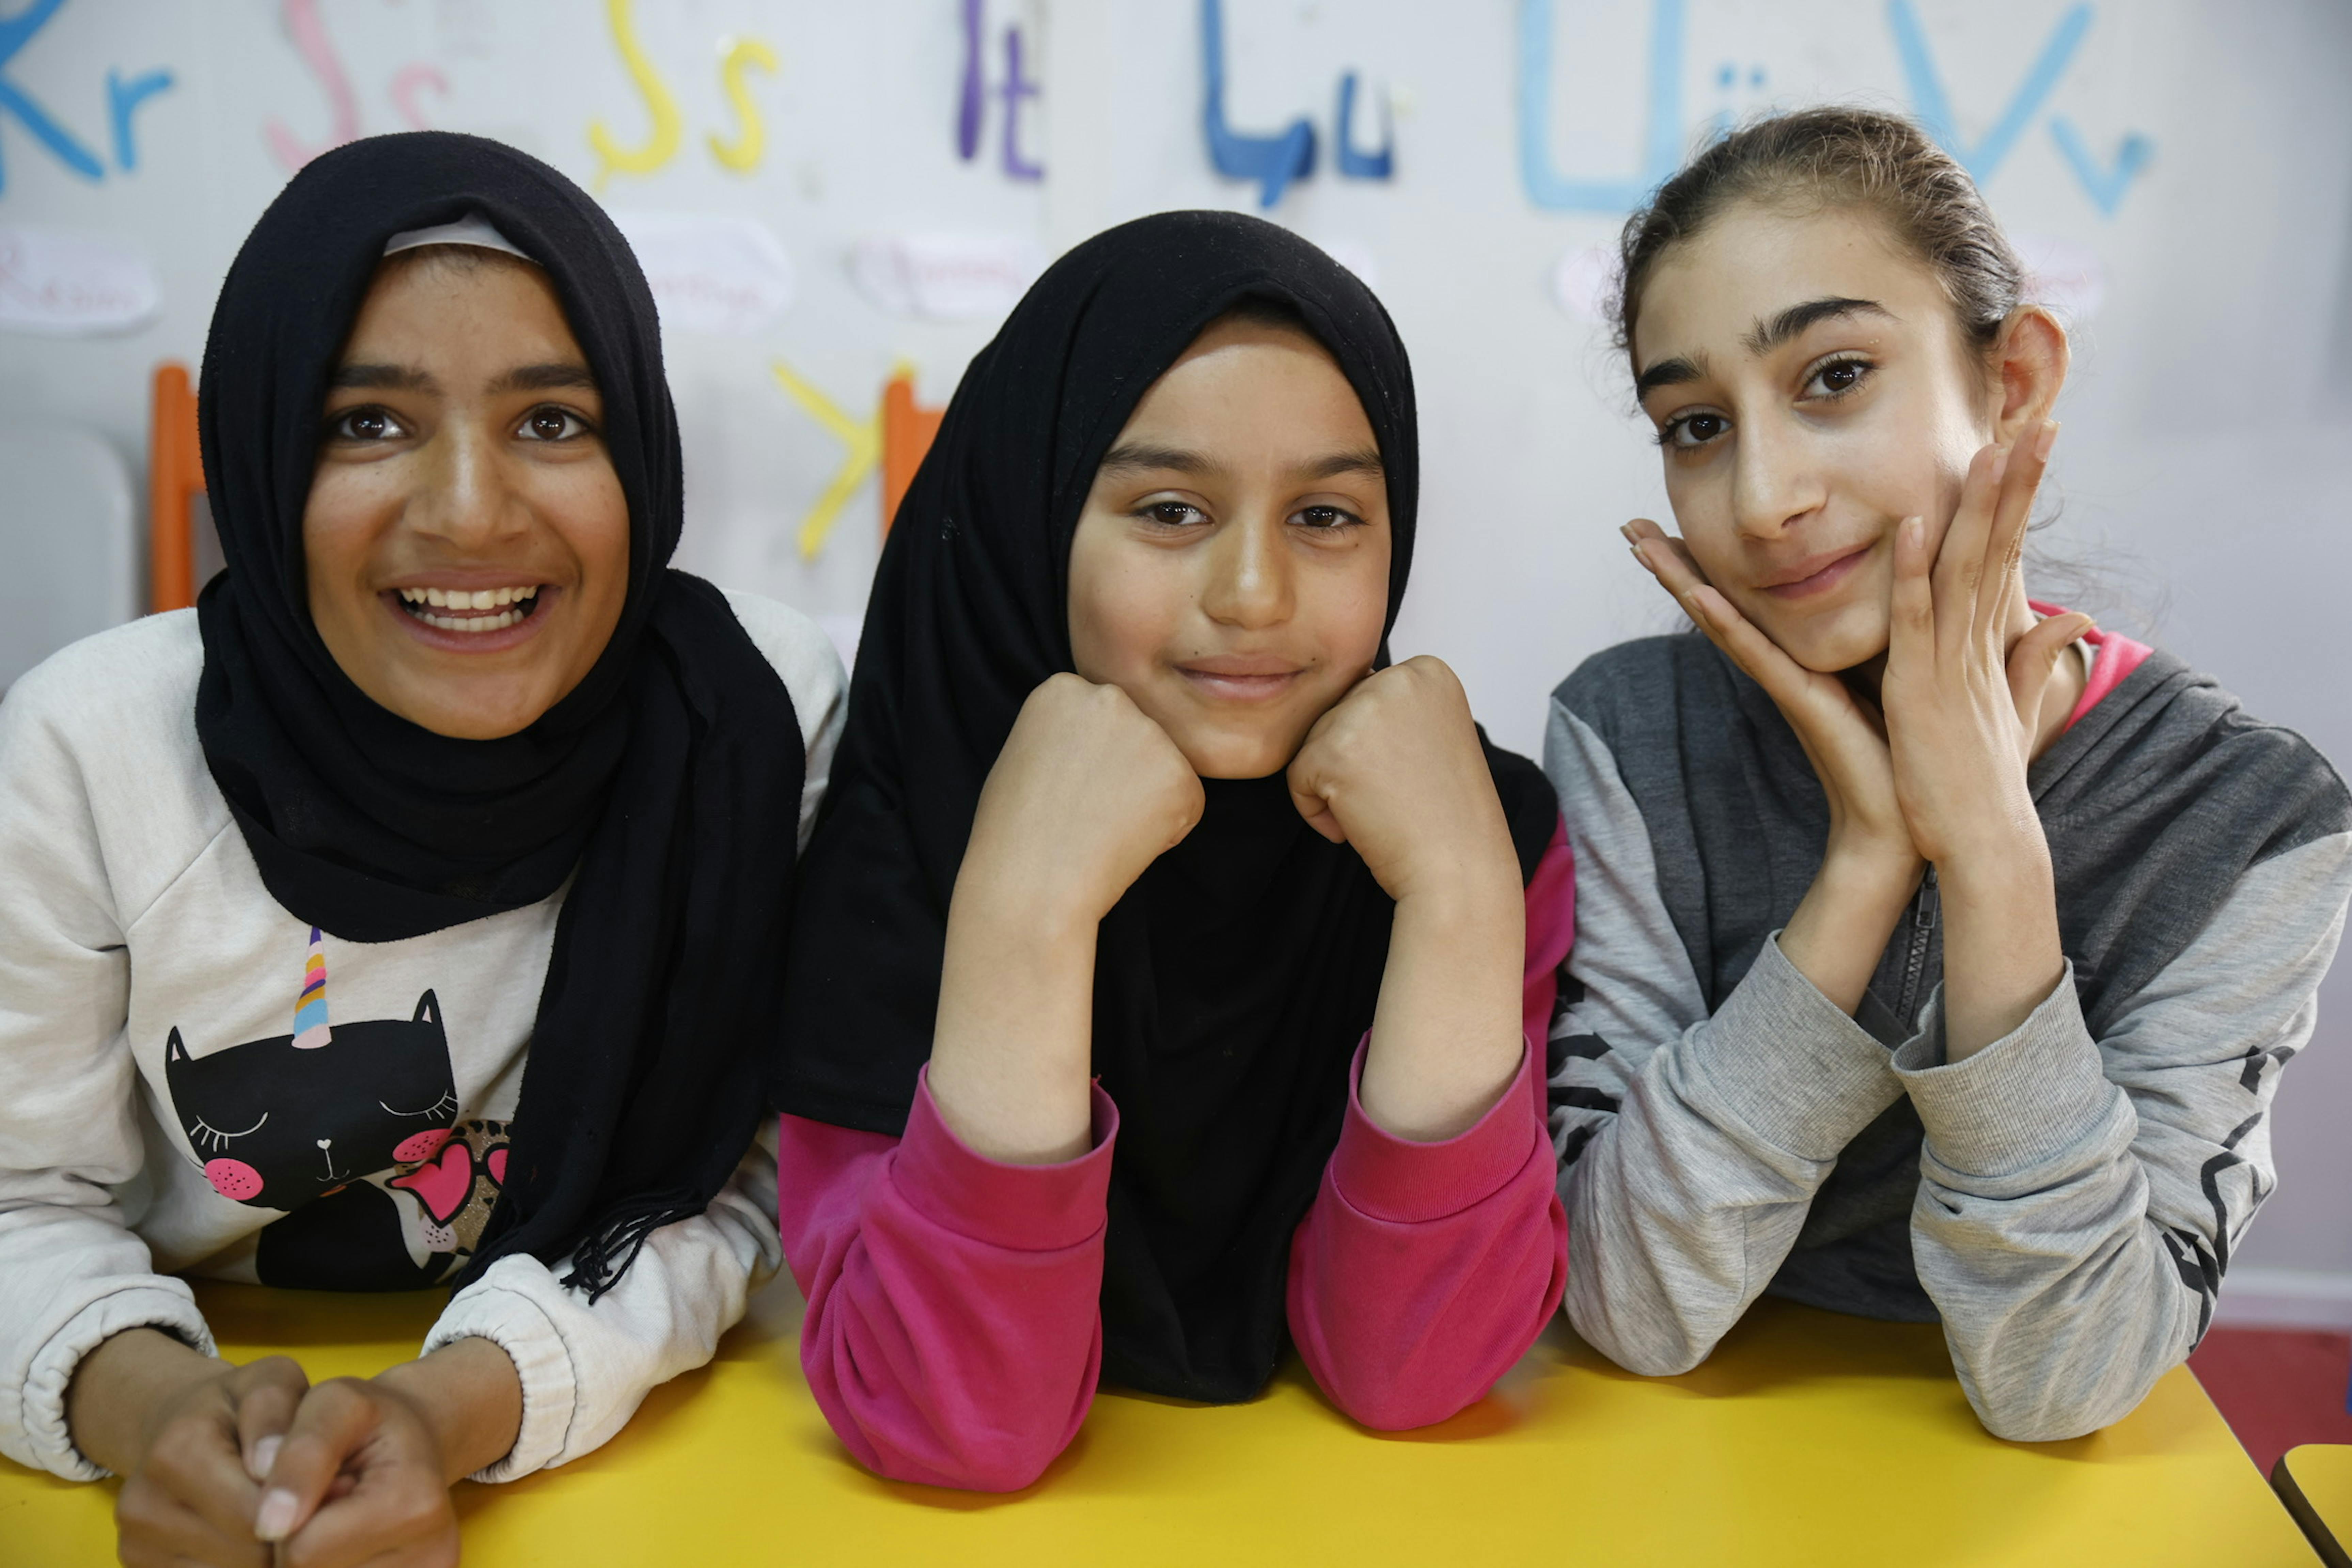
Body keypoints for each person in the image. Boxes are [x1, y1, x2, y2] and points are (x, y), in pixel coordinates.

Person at [0, 132, 843, 1564]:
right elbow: (17, 1202)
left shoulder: (754, 723)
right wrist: (155, 1412)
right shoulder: (89, 750)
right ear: (264, 458)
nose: (468, 511)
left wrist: (461, 1407)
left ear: (639, 446)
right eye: (366, 422)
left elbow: (740, 1173)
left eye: (556, 421)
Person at [1543, 106, 2352, 1440]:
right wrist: (1867, 861)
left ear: (2012, 381)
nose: (1758, 500)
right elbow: (1630, 1304)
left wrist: (1985, 847)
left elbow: (2066, 1380)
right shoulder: (1626, 739)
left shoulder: (2254, 823)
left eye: (1831, 375)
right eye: (1692, 424)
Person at [769, 211, 1574, 1491]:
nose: (1252, 594)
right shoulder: (899, 826)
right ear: (1032, 514)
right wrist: (1023, 913)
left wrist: (1461, 895)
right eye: (1168, 508)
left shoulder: (1476, 834)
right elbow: (950, 1421)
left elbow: (1413, 1372)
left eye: (1324, 515)